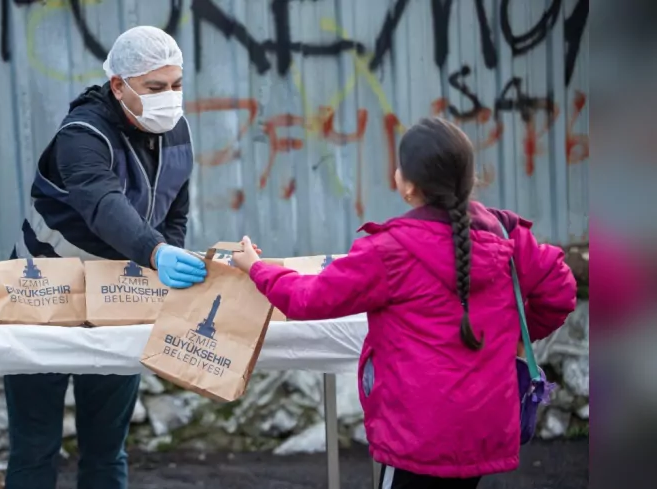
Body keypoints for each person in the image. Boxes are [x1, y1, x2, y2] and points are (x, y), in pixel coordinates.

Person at [232, 117, 577, 488]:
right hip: (483, 427)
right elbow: (560, 292)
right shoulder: (509, 236)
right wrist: (508, 341)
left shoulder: (390, 251)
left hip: (418, 435)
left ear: (408, 186)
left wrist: (257, 269)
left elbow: (308, 299)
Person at [4, 26, 207, 489]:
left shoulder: (177, 131)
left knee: (106, 448)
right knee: (35, 448)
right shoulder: (81, 135)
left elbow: (174, 207)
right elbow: (101, 205)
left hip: (120, 299)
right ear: (119, 84)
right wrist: (156, 253)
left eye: (176, 85)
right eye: (156, 88)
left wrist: (165, 257)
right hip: (42, 297)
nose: (170, 98)